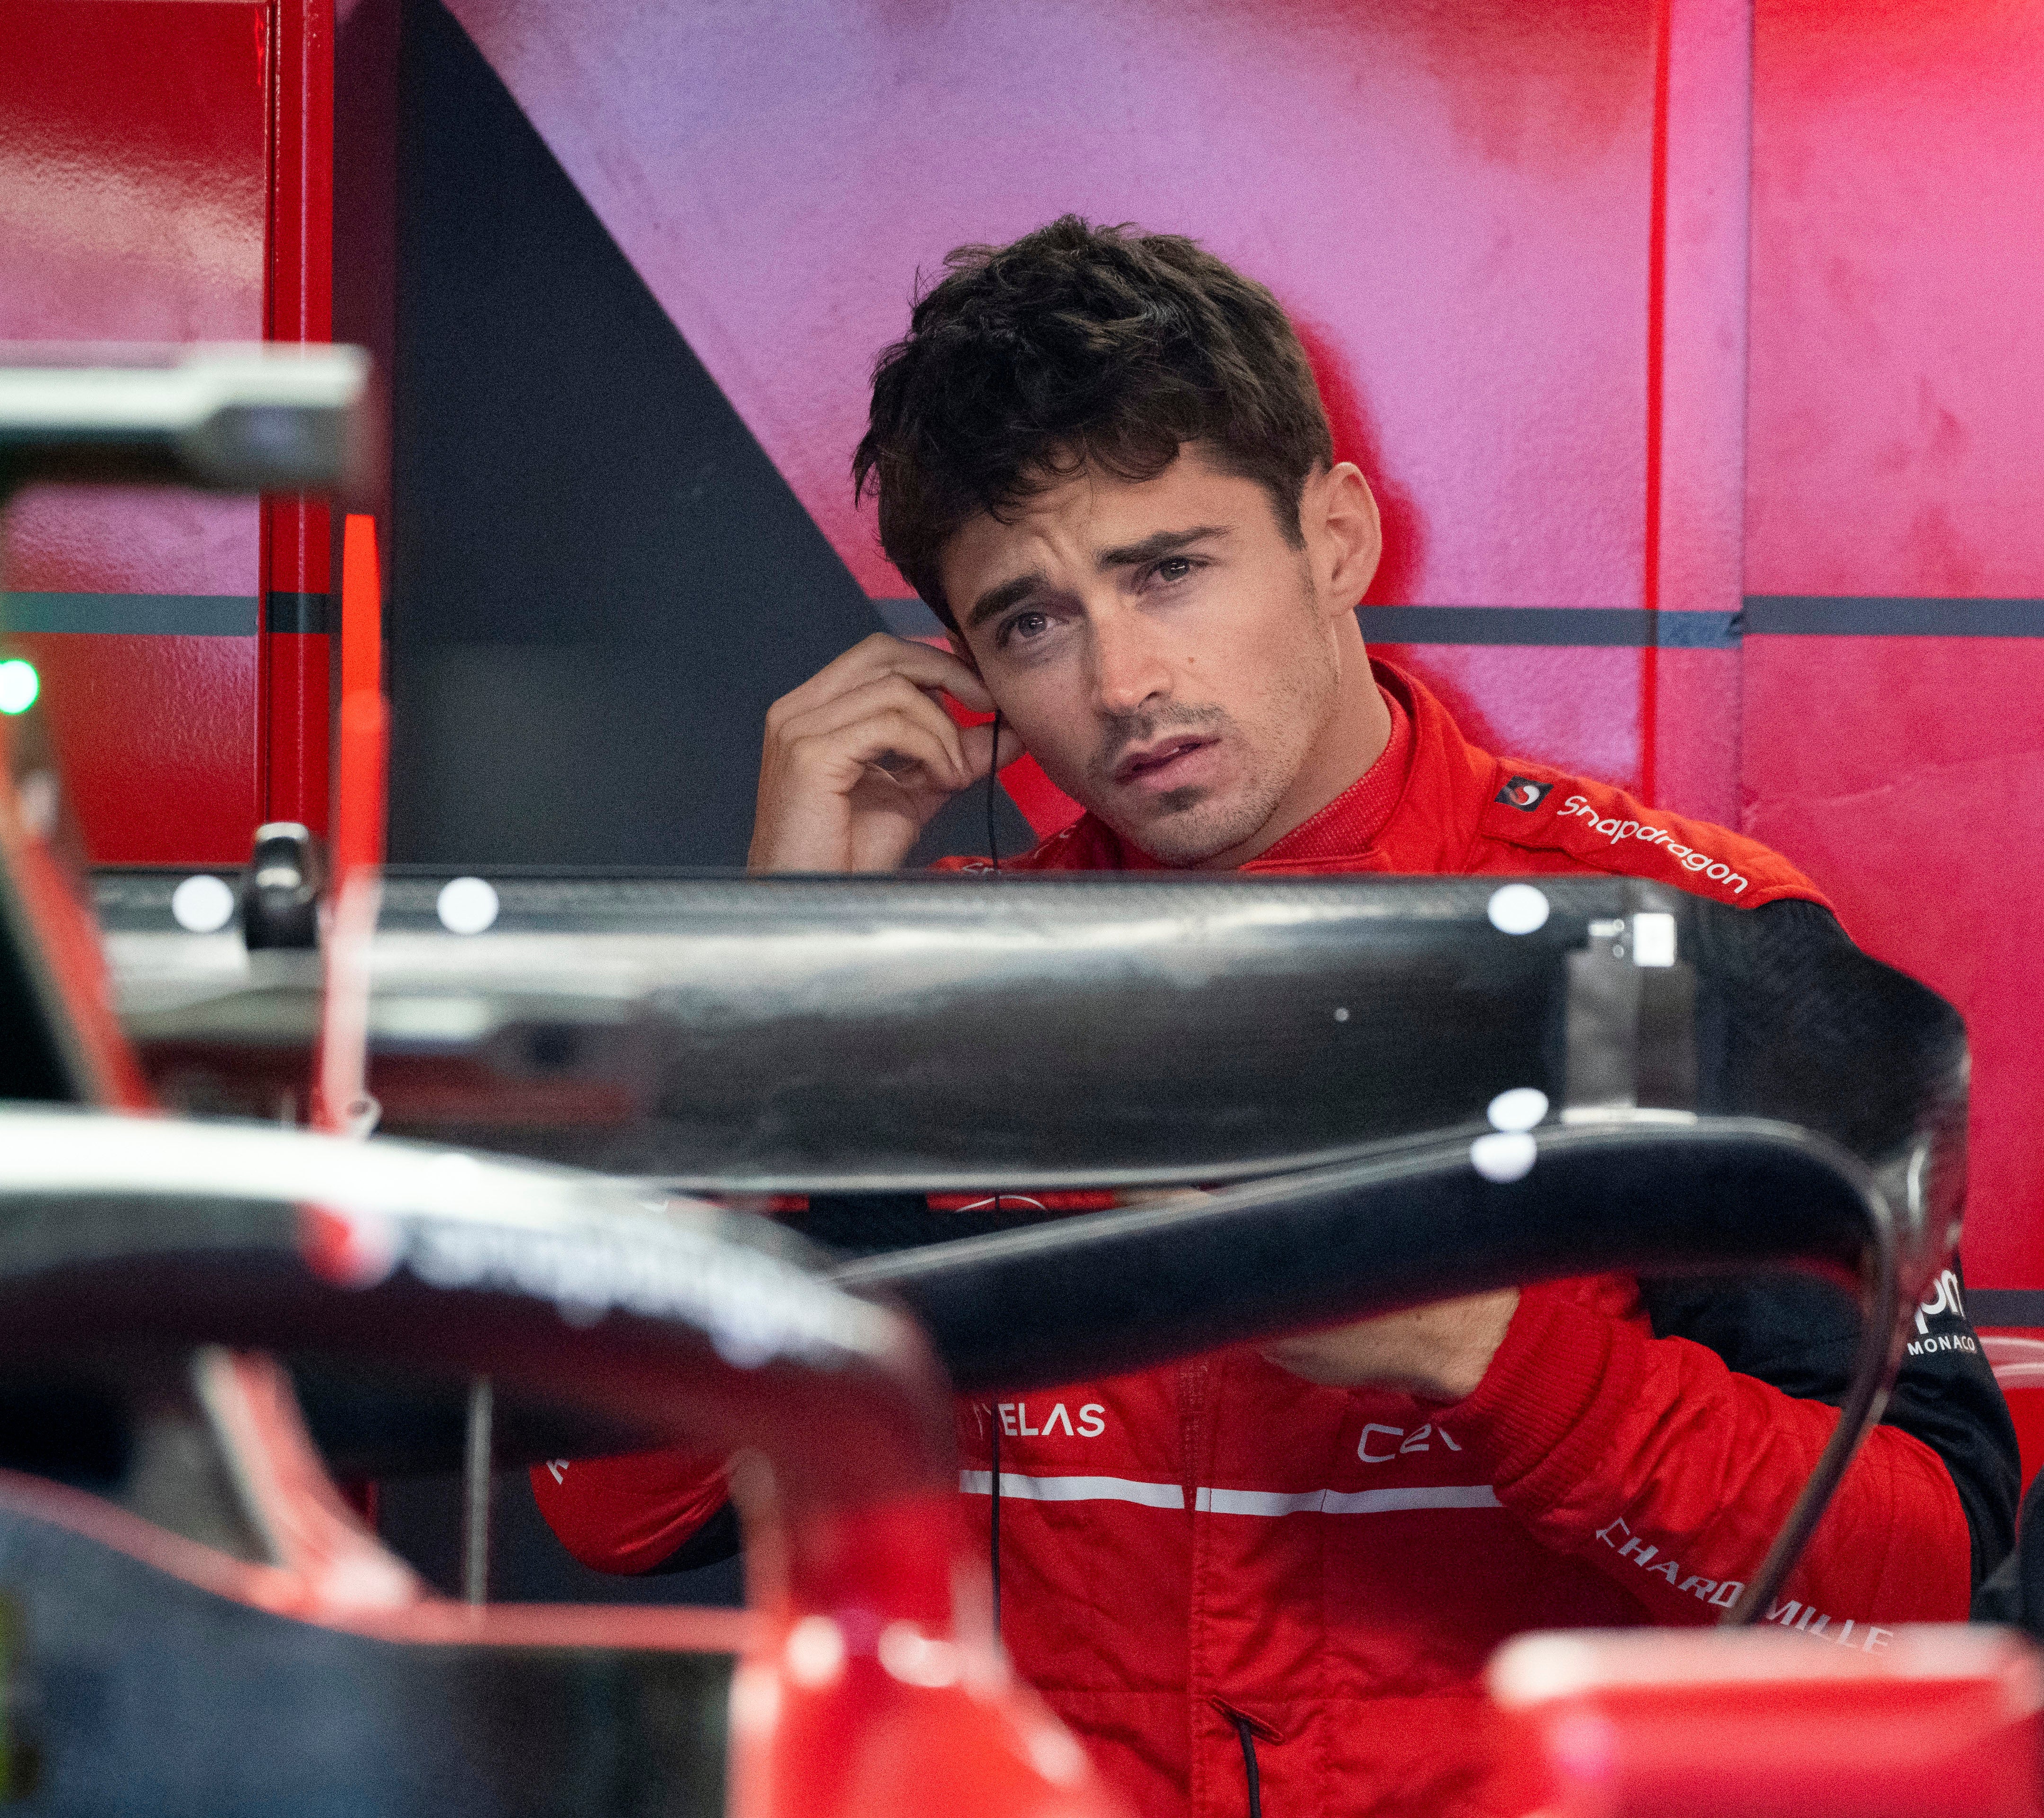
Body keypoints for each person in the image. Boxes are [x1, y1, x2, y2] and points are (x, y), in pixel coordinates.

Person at [532, 218, 2017, 1818]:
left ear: (1337, 537)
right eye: (1032, 620)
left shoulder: (1667, 955)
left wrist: (1480, 1346)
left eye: (1167, 569)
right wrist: (761, 980)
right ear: (964, 672)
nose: (1120, 681)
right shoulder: (928, 990)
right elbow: (611, 1509)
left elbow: (1906, 1590)